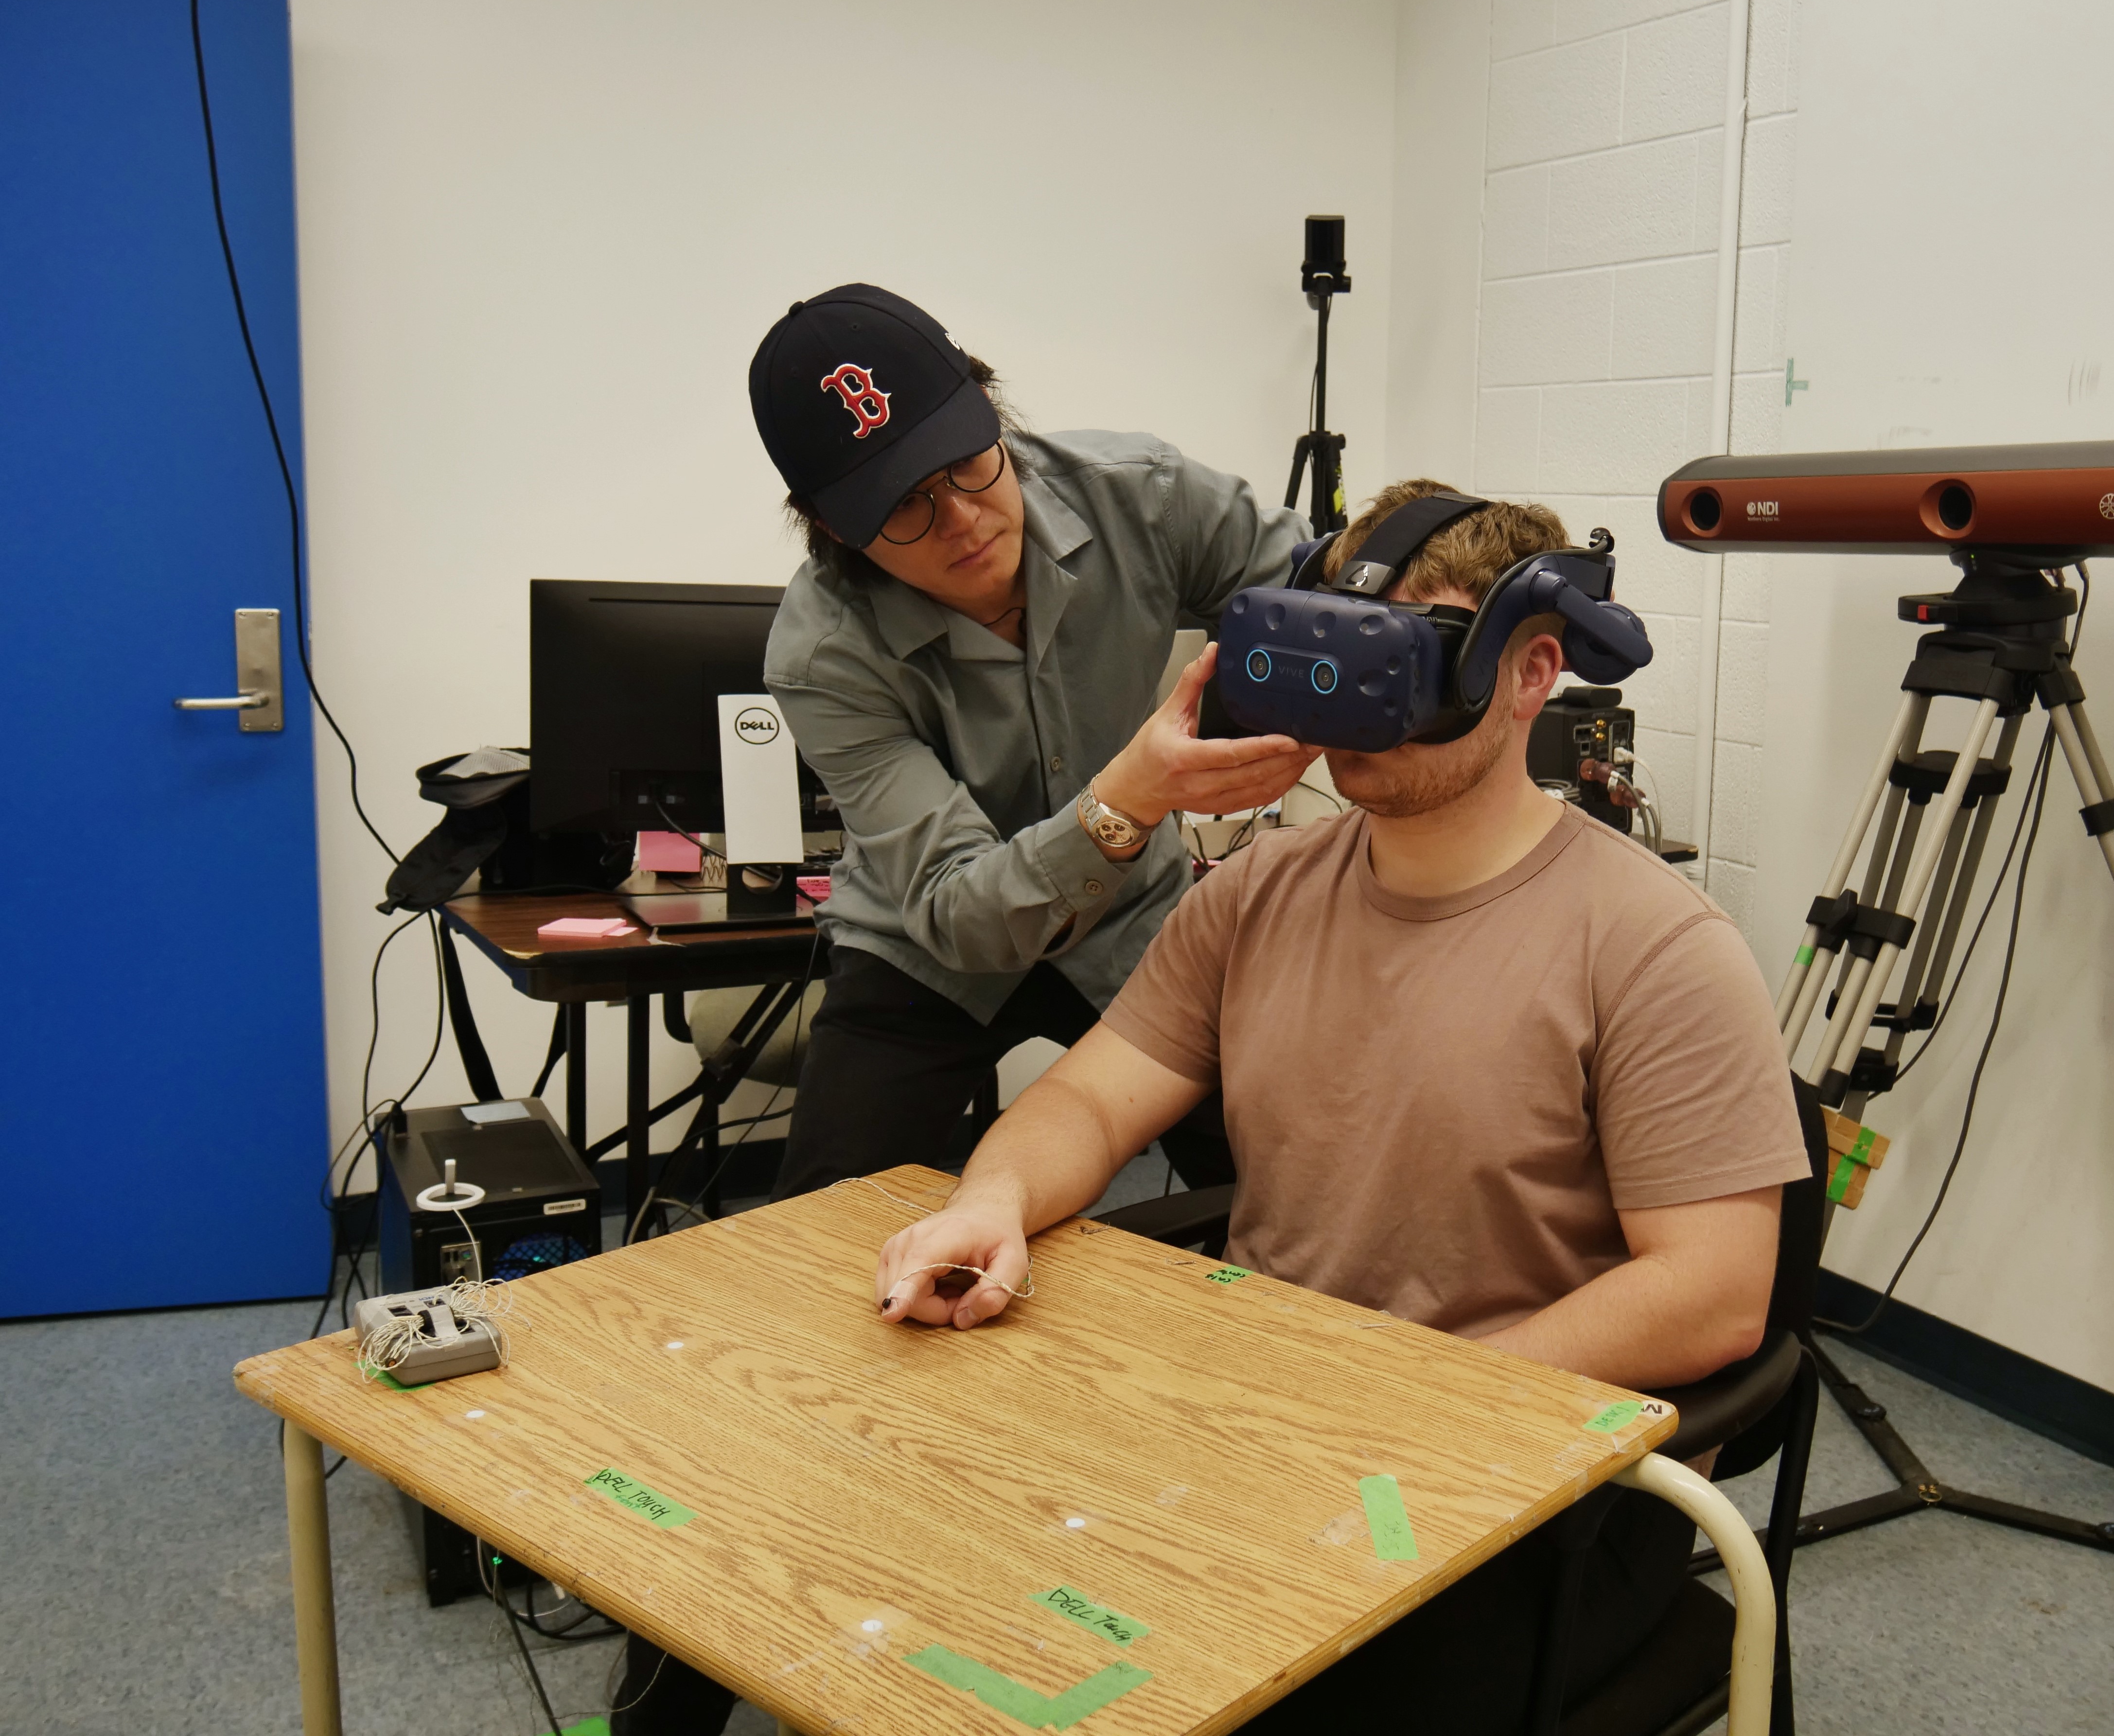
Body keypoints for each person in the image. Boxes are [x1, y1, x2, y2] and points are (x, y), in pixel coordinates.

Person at [871, 480, 1812, 1733]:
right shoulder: (1258, 893)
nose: (1357, 705)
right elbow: (1095, 1096)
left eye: (1406, 662)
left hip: (1519, 1491)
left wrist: (1392, 1408)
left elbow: (1711, 1291)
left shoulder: (1653, 947)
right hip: (1265, 1442)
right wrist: (992, 1200)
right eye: (1334, 652)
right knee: (935, 1579)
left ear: (1532, 672)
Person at [610, 285, 1320, 1734]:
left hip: (1136, 930)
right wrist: (1132, 796)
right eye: (904, 512)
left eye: (970, 464)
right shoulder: (821, 647)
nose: (963, 520)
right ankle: (672, 1691)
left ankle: (1275, 1581)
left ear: (994, 405)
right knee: (812, 1286)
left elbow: (1326, 586)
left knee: (1278, 1209)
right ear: (828, 526)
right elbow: (959, 907)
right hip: (932, 948)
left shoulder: (1142, 493)